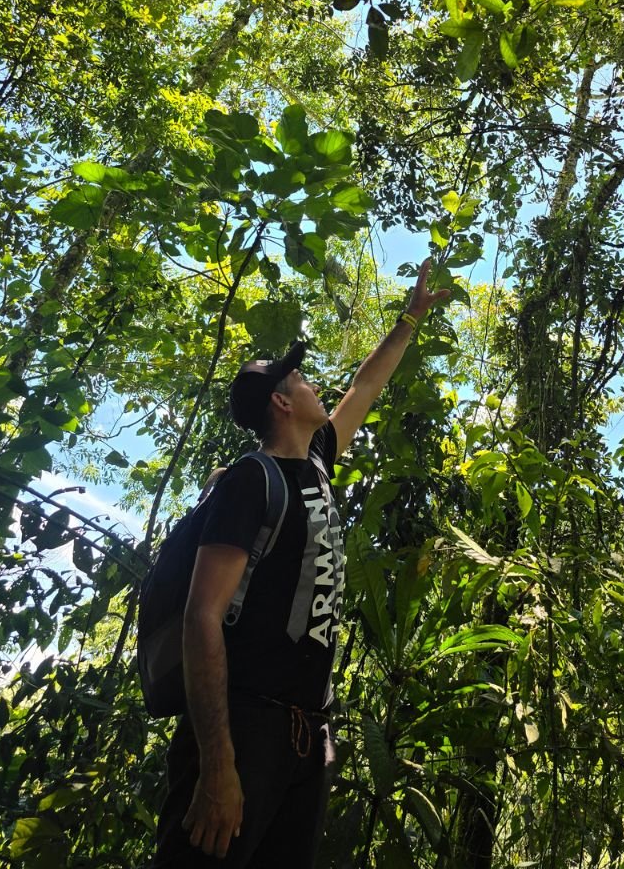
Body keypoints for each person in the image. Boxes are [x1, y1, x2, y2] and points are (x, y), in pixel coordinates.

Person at [152, 258, 450, 867]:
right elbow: (201, 616)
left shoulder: (314, 466)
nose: (317, 386)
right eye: (303, 381)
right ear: (283, 405)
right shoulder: (251, 482)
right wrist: (218, 764)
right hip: (242, 729)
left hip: (306, 737)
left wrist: (409, 319)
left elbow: (365, 388)